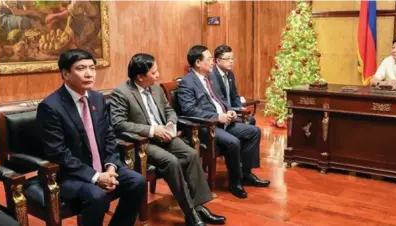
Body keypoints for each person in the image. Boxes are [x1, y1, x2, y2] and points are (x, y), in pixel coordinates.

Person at [110, 53, 226, 226]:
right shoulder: (122, 93)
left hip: (165, 135)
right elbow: (119, 124)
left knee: (191, 154)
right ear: (140, 77)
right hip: (143, 142)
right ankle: (190, 213)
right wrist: (152, 130)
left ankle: (200, 206)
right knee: (171, 161)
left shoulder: (156, 88)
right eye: (154, 72)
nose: (158, 75)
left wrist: (171, 122)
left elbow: (168, 109)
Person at [36, 49, 146, 226]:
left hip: (102, 166)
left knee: (137, 181)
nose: (89, 74)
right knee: (97, 196)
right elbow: (58, 153)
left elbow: (109, 135)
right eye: (81, 68)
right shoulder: (50, 107)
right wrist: (95, 176)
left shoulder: (97, 98)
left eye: (92, 68)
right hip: (69, 175)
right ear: (65, 74)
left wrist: (110, 166)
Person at [178, 45, 270, 199]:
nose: (212, 62)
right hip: (205, 126)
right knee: (233, 142)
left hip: (222, 121)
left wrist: (229, 111)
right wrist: (216, 116)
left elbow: (219, 99)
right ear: (198, 62)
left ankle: (246, 174)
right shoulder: (188, 82)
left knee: (254, 131)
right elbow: (189, 110)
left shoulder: (208, 78)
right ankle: (235, 182)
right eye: (208, 59)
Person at [210, 45, 255, 125]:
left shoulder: (230, 74)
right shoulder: (212, 75)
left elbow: (234, 95)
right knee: (248, 122)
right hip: (223, 112)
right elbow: (220, 99)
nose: (231, 61)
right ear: (218, 61)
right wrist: (232, 111)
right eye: (227, 59)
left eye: (232, 58)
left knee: (250, 119)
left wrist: (241, 108)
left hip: (232, 110)